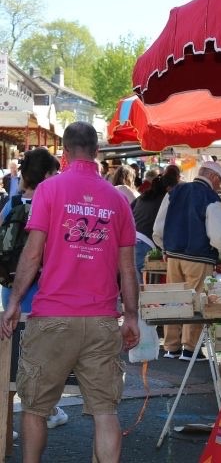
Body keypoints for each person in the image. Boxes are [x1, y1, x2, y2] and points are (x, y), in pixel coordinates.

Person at [1, 122, 140, 462]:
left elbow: (32, 255)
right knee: (105, 411)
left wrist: (14, 302)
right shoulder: (117, 200)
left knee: (34, 407)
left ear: (64, 152)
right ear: (97, 152)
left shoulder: (49, 190)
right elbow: (127, 268)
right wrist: (132, 315)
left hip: (52, 318)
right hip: (101, 320)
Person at [0, 149, 67, 439]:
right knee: (41, 361)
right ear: (49, 175)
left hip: (11, 291)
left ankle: (6, 426)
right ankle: (47, 411)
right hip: (42, 293)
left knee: (10, 363)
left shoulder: (10, 203)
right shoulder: (52, 206)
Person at [153, 160, 221, 360]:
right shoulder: (211, 197)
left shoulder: (175, 191)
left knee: (174, 300)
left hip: (173, 257)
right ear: (213, 177)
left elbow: (157, 229)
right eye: (219, 182)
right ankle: (190, 349)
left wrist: (165, 248)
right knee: (195, 301)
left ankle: (171, 347)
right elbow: (217, 236)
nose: (218, 187)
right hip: (199, 257)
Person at [132, 175, 168, 284]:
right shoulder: (165, 199)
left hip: (132, 237)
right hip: (145, 242)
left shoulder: (143, 196)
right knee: (141, 286)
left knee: (136, 281)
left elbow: (129, 209)